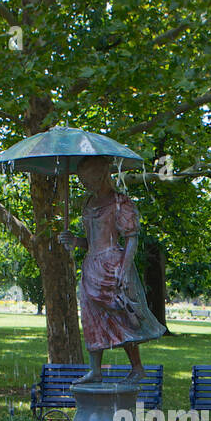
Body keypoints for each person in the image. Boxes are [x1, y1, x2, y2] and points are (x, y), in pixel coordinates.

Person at [58, 155, 166, 384]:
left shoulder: (120, 202)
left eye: (87, 178)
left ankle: (137, 367)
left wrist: (124, 271)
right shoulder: (88, 203)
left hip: (113, 266)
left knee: (124, 316)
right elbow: (91, 240)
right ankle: (95, 370)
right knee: (90, 317)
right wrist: (74, 241)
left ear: (101, 175)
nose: (84, 183)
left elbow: (131, 238)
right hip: (91, 266)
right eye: (81, 179)